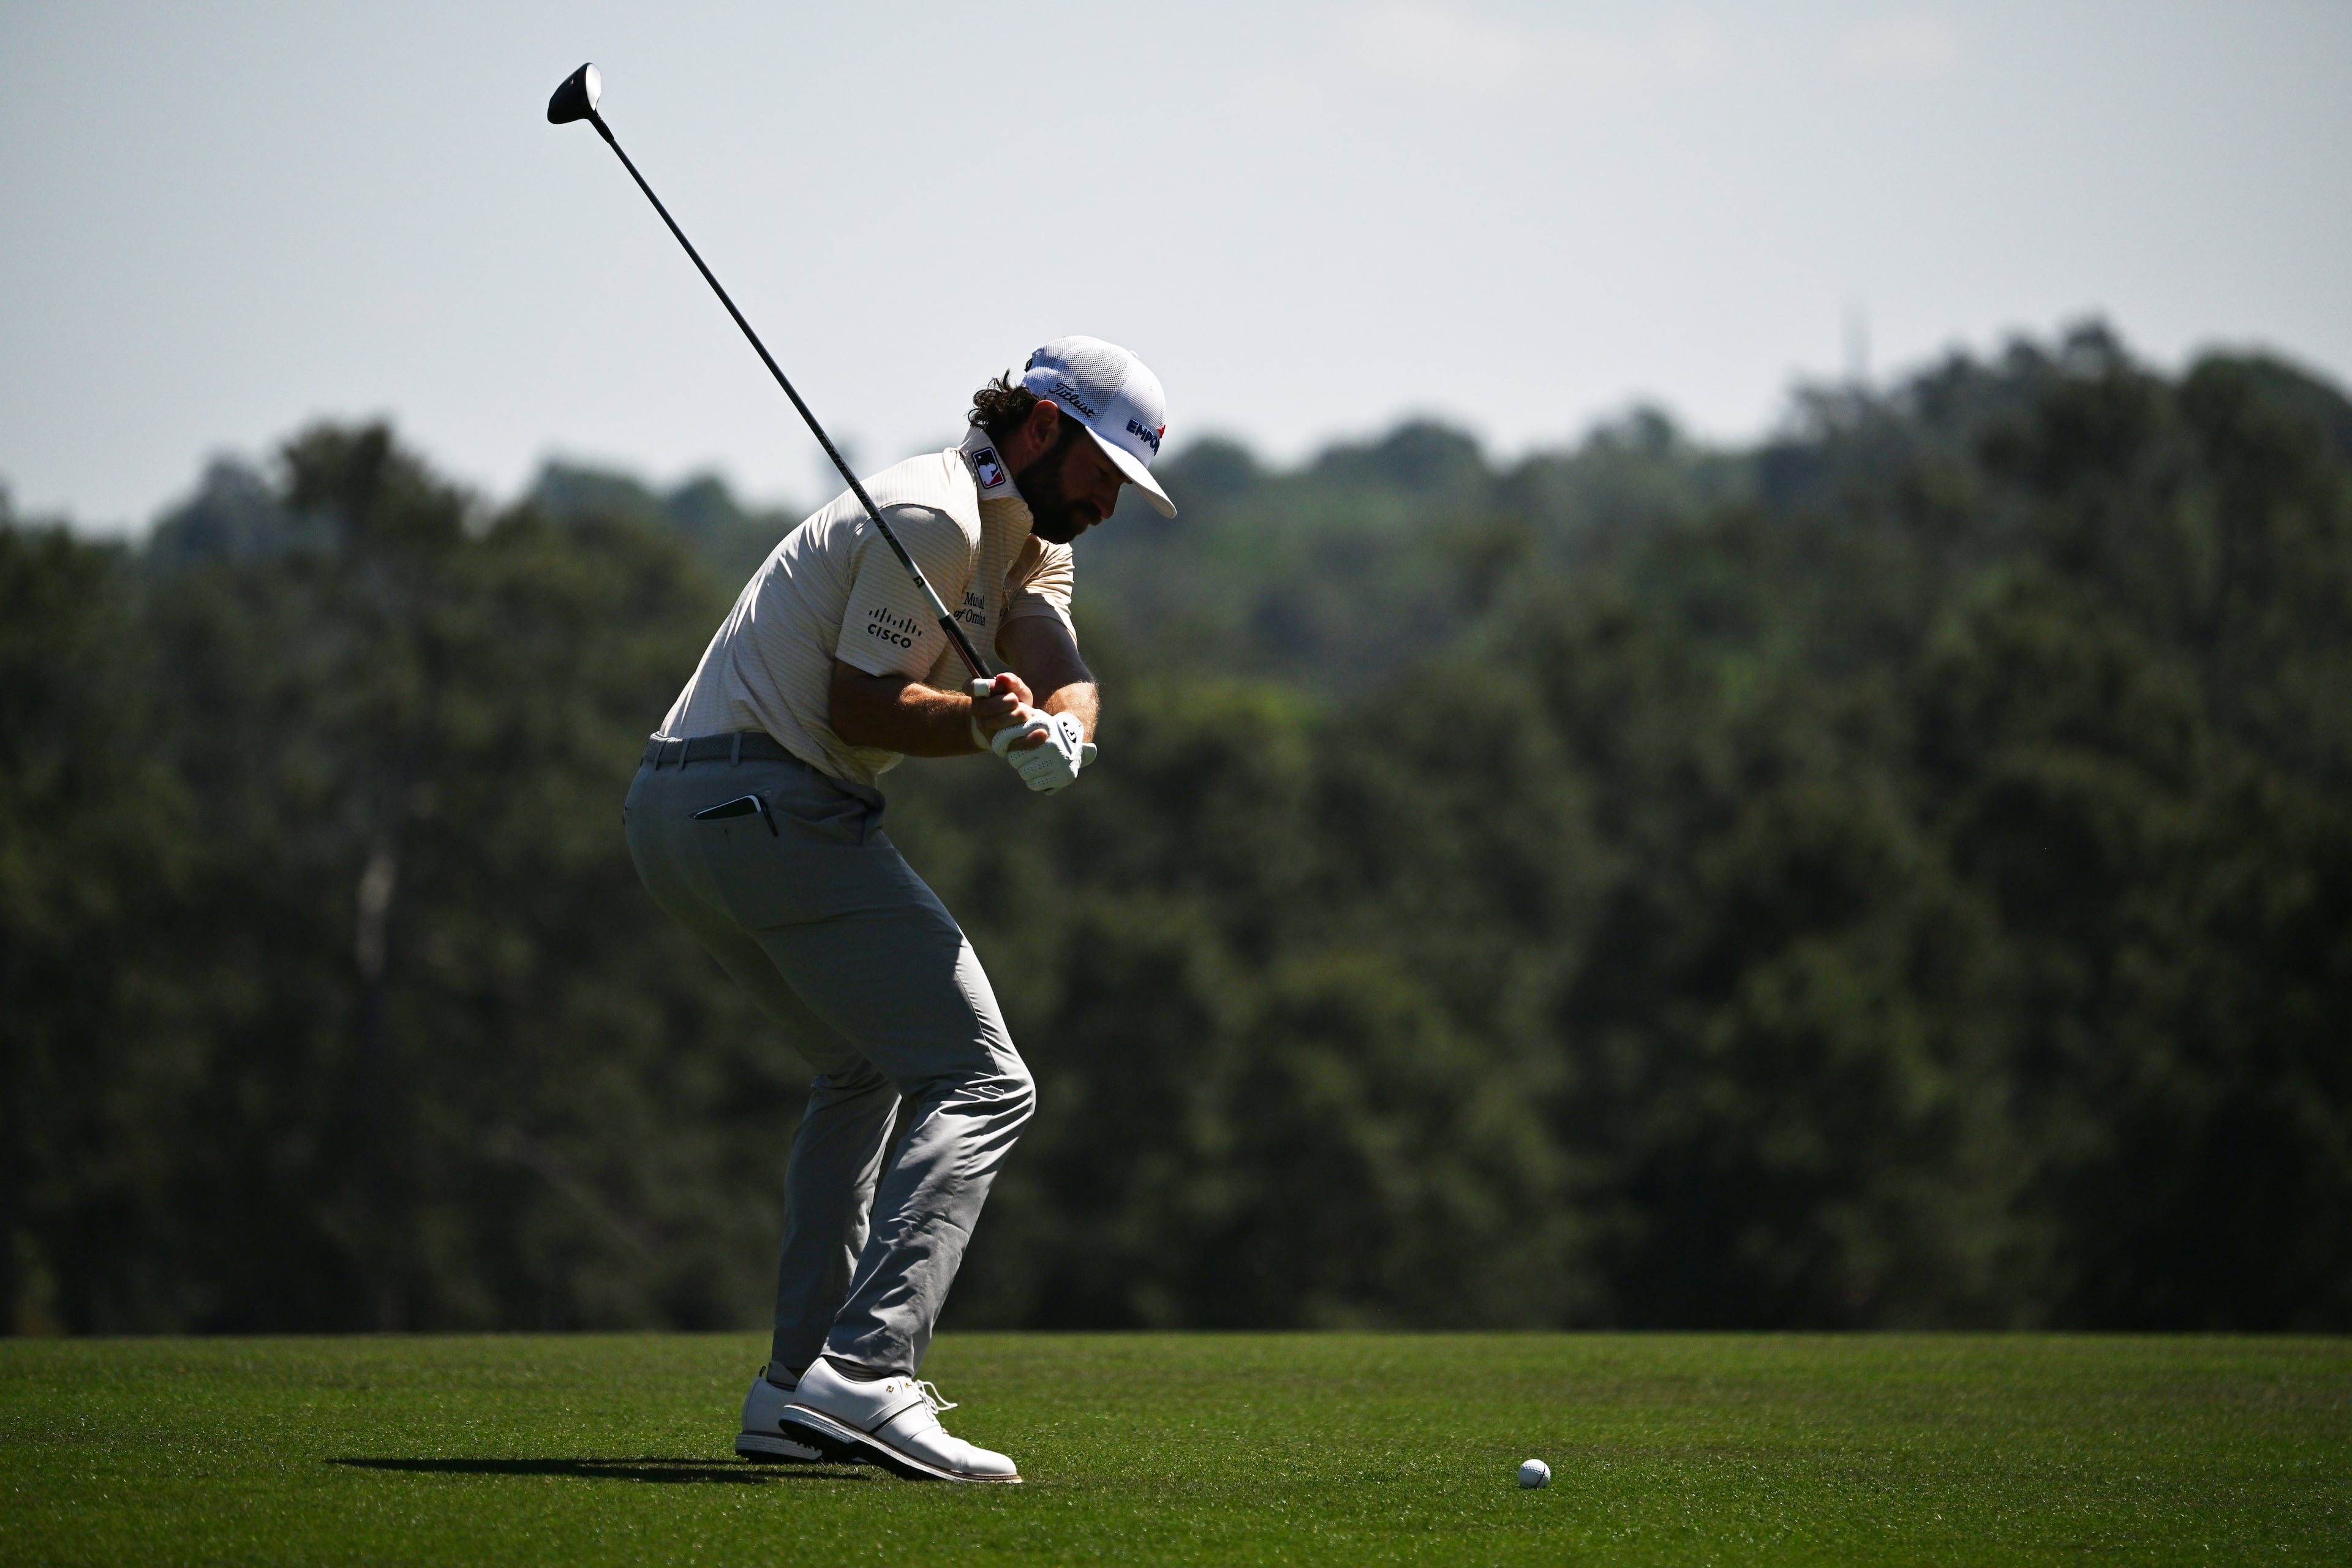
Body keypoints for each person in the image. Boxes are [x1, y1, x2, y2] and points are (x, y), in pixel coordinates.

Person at [622, 337, 1175, 1483]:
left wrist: (1061, 727)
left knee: (858, 1071)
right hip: (765, 801)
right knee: (986, 1080)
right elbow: (862, 709)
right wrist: (980, 726)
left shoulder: (1032, 543)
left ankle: (793, 1390)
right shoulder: (929, 516)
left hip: (679, 817)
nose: (1112, 501)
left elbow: (1054, 656)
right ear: (1039, 430)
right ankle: (867, 1375)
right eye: (1104, 471)